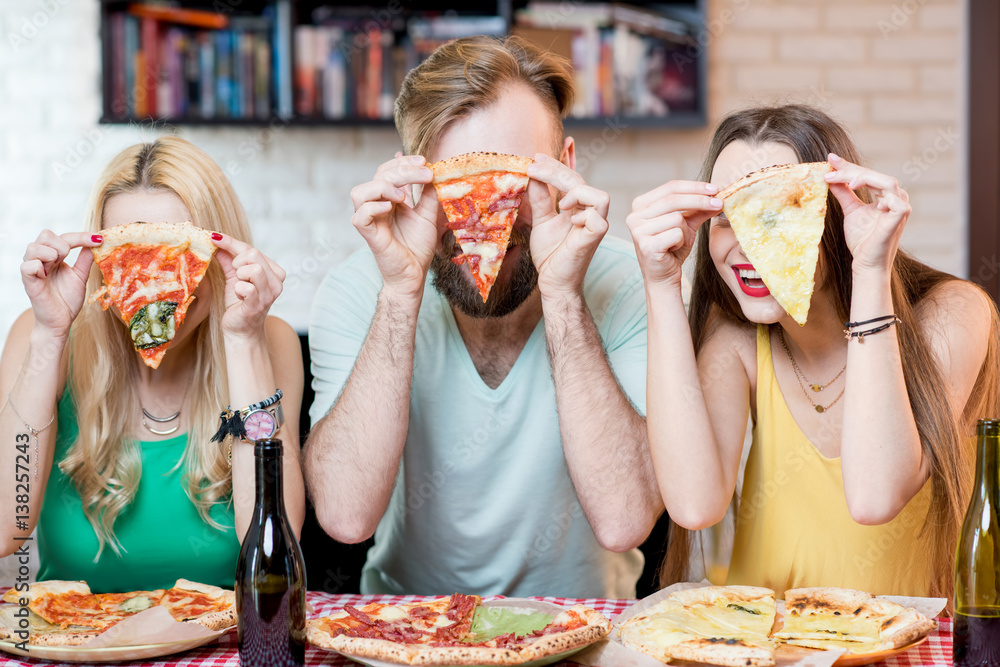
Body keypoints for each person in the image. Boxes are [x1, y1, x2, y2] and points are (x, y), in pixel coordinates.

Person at [304, 36, 661, 598]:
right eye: (460, 185)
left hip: (584, 628)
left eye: (512, 181)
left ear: (565, 168)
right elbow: (346, 518)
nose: (486, 219)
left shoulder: (628, 282)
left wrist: (564, 291)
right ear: (412, 181)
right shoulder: (360, 287)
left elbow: (625, 520)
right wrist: (400, 292)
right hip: (404, 627)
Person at [627, 104, 1000, 599]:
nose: (746, 244)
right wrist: (660, 286)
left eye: (777, 214)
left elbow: (874, 497)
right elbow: (694, 506)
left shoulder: (953, 314)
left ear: (836, 214)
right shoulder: (738, 337)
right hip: (765, 641)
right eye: (726, 216)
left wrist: (869, 270)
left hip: (897, 640)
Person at [0, 137, 305, 592]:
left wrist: (243, 340)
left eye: (181, 258)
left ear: (223, 259)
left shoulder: (270, 340)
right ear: (100, 262)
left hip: (216, 645)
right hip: (74, 642)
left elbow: (272, 546)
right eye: (132, 259)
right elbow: (7, 526)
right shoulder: (40, 333)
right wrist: (50, 334)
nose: (158, 287)